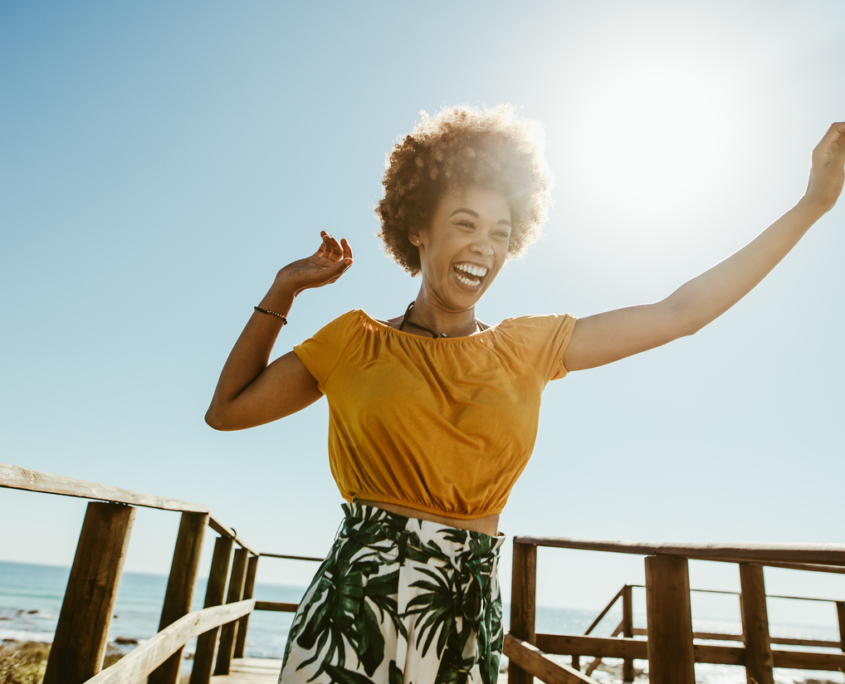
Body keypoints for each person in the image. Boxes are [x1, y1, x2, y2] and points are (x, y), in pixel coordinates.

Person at [205, 105, 845, 684]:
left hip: (462, 611)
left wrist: (811, 206)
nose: (484, 247)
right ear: (417, 228)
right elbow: (227, 411)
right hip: (351, 612)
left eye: (501, 233)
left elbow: (681, 312)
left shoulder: (529, 347)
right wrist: (284, 288)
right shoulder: (353, 342)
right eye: (464, 223)